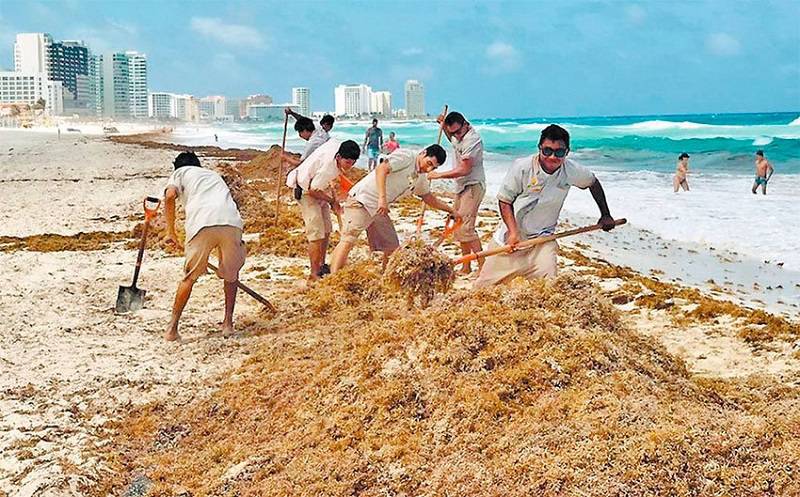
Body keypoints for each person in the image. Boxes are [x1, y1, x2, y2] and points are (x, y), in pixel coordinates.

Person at [474, 124, 616, 288]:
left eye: (559, 152)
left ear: (567, 152)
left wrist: (605, 214)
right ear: (539, 148)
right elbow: (505, 201)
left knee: (548, 288)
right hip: (511, 240)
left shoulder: (571, 170)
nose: (552, 157)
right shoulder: (522, 167)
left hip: (543, 240)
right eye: (547, 151)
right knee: (481, 289)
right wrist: (513, 232)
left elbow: (593, 183)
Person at [330, 145, 460, 272]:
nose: (429, 169)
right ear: (423, 153)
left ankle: (385, 278)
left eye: (433, 168)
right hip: (362, 200)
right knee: (348, 240)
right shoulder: (407, 156)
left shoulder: (421, 178)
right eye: (429, 163)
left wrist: (451, 210)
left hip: (380, 209)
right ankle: (333, 277)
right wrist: (382, 198)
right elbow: (381, 168)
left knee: (392, 247)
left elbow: (428, 198)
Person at [163, 151, 246, 342]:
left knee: (189, 277)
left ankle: (172, 329)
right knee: (231, 276)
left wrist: (170, 232)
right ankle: (227, 325)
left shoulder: (180, 172)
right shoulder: (212, 175)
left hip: (201, 224)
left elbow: (169, 196)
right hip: (231, 222)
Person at [286, 139, 361, 280]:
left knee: (327, 230)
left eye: (353, 163)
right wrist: (332, 201)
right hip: (305, 190)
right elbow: (313, 190)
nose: (350, 166)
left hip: (319, 187)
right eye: (347, 162)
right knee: (316, 233)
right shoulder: (328, 168)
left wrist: (333, 199)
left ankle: (321, 265)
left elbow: (331, 141)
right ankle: (314, 273)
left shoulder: (337, 146)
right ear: (338, 157)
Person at [428, 111, 486, 275]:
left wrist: (439, 175)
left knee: (466, 228)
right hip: (461, 186)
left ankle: (483, 266)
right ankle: (466, 266)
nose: (456, 136)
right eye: (453, 133)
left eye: (458, 132)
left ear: (466, 124)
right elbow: (453, 141)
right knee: (458, 224)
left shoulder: (472, 140)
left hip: (473, 185)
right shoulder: (457, 135)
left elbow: (464, 169)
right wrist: (443, 127)